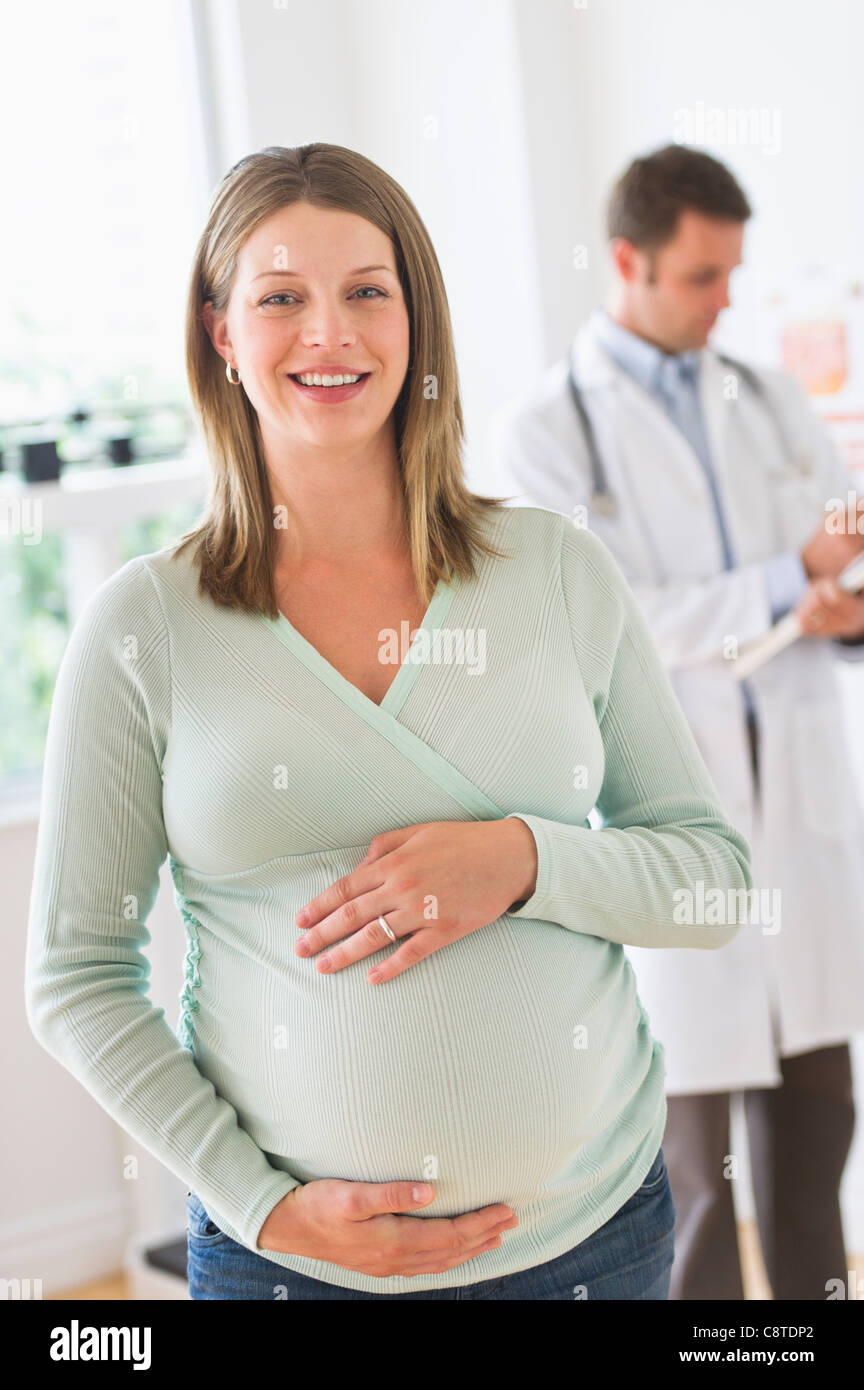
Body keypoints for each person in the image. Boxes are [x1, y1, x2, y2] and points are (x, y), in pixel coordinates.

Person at [24, 143, 752, 1302]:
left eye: (368, 290)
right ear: (221, 332)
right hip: (294, 1270)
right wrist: (264, 1203)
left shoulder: (556, 571)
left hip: (594, 1244)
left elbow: (715, 884)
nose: (331, 334)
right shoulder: (144, 625)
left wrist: (523, 861)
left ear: (417, 320)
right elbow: (77, 975)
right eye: (280, 298)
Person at [485, 142, 864, 1301]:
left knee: (813, 1170)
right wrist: (775, 583)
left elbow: (817, 575)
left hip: (795, 807)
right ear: (628, 261)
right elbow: (602, 619)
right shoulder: (549, 428)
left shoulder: (767, 396)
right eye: (703, 276)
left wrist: (838, 606)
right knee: (695, 1192)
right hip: (667, 813)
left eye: (733, 275)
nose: (725, 301)